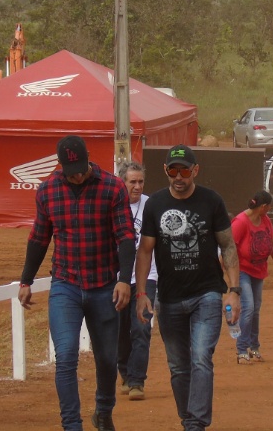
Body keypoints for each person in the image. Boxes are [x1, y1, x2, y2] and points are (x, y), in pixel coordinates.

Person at [18, 136, 135, 431]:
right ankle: (72, 424)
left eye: (82, 168)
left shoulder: (112, 186)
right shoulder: (47, 190)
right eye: (72, 170)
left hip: (105, 284)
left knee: (108, 359)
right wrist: (26, 280)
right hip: (65, 284)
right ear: (61, 166)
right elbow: (39, 238)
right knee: (66, 355)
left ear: (88, 159)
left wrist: (124, 280)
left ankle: (104, 409)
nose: (78, 175)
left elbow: (125, 237)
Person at [134, 144, 241, 431]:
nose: (178, 177)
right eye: (172, 170)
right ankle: (188, 418)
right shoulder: (154, 205)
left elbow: (228, 245)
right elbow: (145, 251)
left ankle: (196, 424)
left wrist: (234, 290)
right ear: (165, 171)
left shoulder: (211, 201)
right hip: (168, 299)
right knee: (179, 367)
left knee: (201, 358)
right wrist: (142, 293)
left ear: (195, 170)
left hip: (205, 293)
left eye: (184, 170)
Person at [116, 160, 156, 401]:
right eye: (133, 182)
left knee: (141, 327)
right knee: (120, 330)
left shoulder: (151, 205)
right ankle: (125, 372)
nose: (138, 186)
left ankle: (137, 381)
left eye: (141, 181)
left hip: (147, 276)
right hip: (118, 278)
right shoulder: (112, 205)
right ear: (122, 182)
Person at [231, 189, 273, 364]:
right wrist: (230, 278)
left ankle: (254, 347)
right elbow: (228, 250)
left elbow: (271, 244)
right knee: (248, 308)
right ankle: (241, 350)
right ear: (263, 207)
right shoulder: (240, 222)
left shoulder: (265, 220)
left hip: (259, 270)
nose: (270, 209)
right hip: (243, 270)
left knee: (256, 310)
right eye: (269, 206)